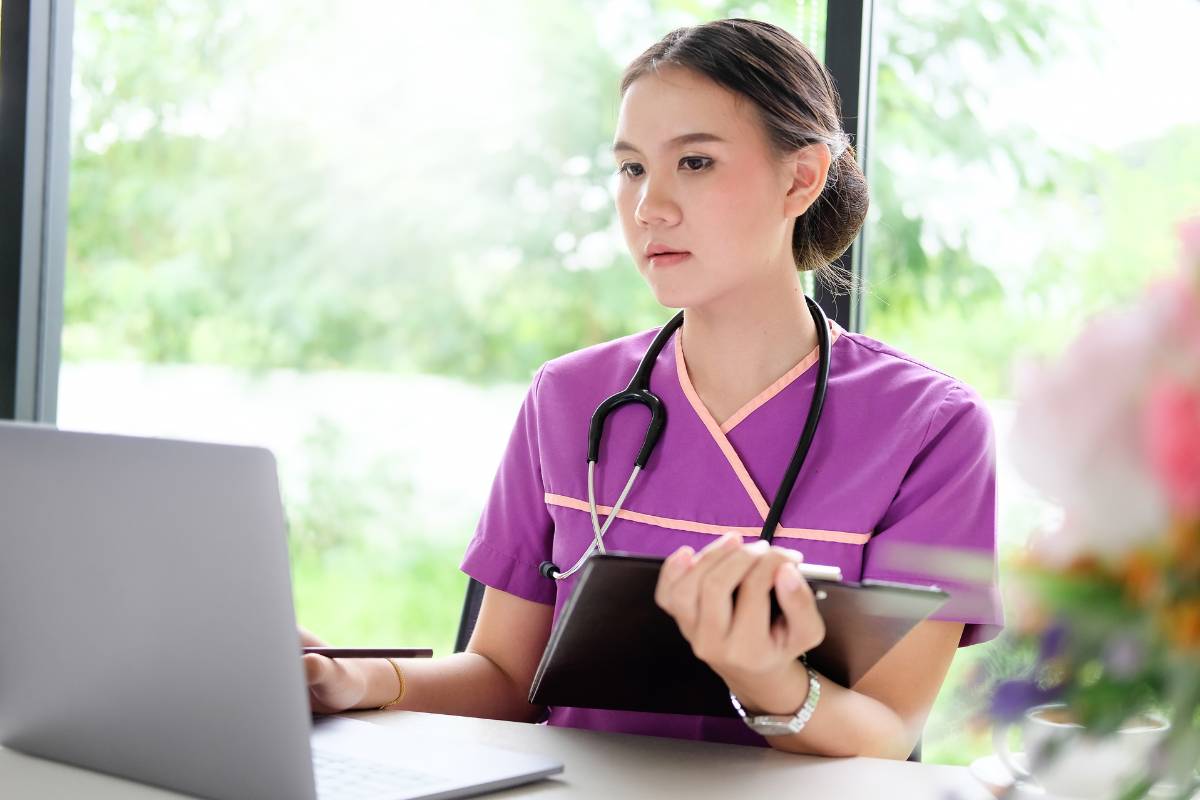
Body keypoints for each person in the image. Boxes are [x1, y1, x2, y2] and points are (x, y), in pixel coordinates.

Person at [302, 18, 1003, 760]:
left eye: (695, 162)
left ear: (801, 177)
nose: (650, 208)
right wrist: (352, 678)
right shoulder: (566, 400)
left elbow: (889, 733)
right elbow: (509, 677)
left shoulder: (930, 428)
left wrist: (767, 677)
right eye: (632, 168)